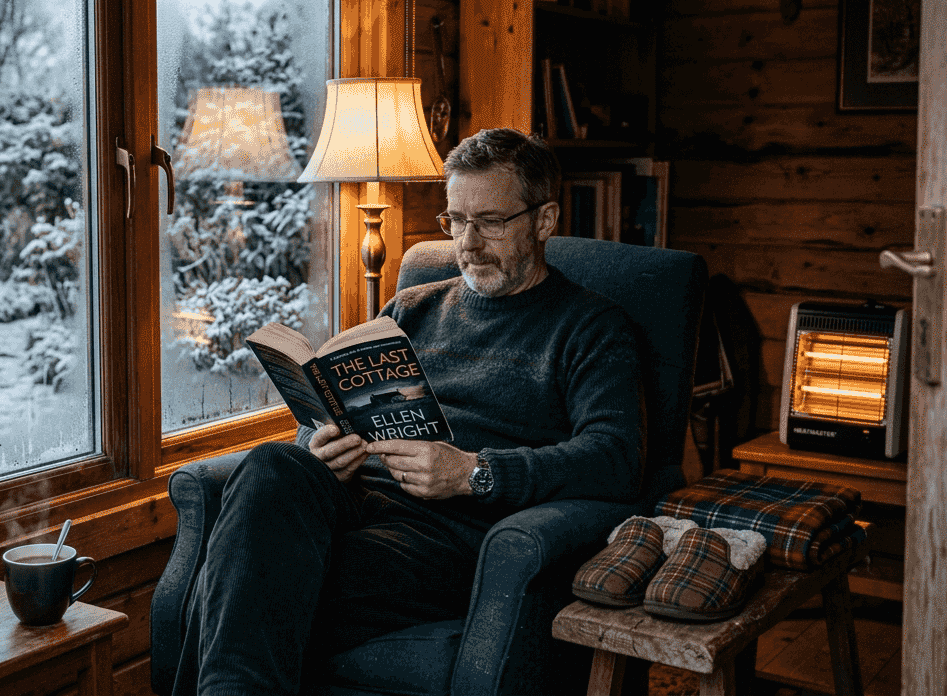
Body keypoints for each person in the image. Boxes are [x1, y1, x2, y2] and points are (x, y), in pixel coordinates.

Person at [171, 127, 645, 696]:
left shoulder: (591, 327)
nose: (467, 243)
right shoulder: (413, 308)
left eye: (490, 222)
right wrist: (318, 447)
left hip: (452, 538)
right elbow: (329, 417)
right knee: (273, 466)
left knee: (241, 580)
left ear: (544, 220)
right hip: (353, 503)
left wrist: (474, 472)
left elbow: (616, 457)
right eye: (455, 220)